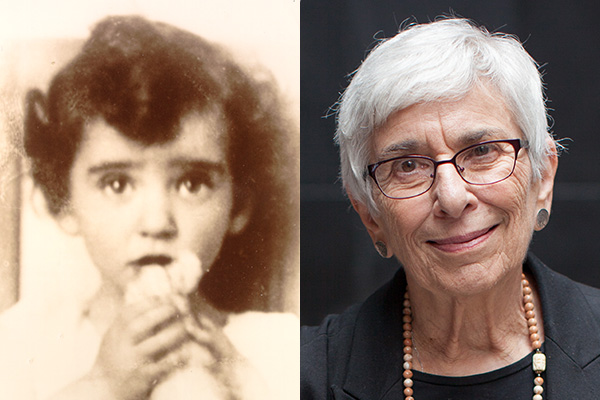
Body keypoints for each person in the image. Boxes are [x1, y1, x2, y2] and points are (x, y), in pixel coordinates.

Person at [0, 15, 298, 400]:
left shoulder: (278, 347)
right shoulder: (23, 343)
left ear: (238, 204)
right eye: (117, 183)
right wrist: (103, 385)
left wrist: (239, 379)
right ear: (64, 203)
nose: (157, 223)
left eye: (192, 183)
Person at [301, 18, 600, 399]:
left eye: (482, 151)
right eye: (407, 165)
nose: (453, 198)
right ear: (369, 214)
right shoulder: (294, 379)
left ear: (542, 179)